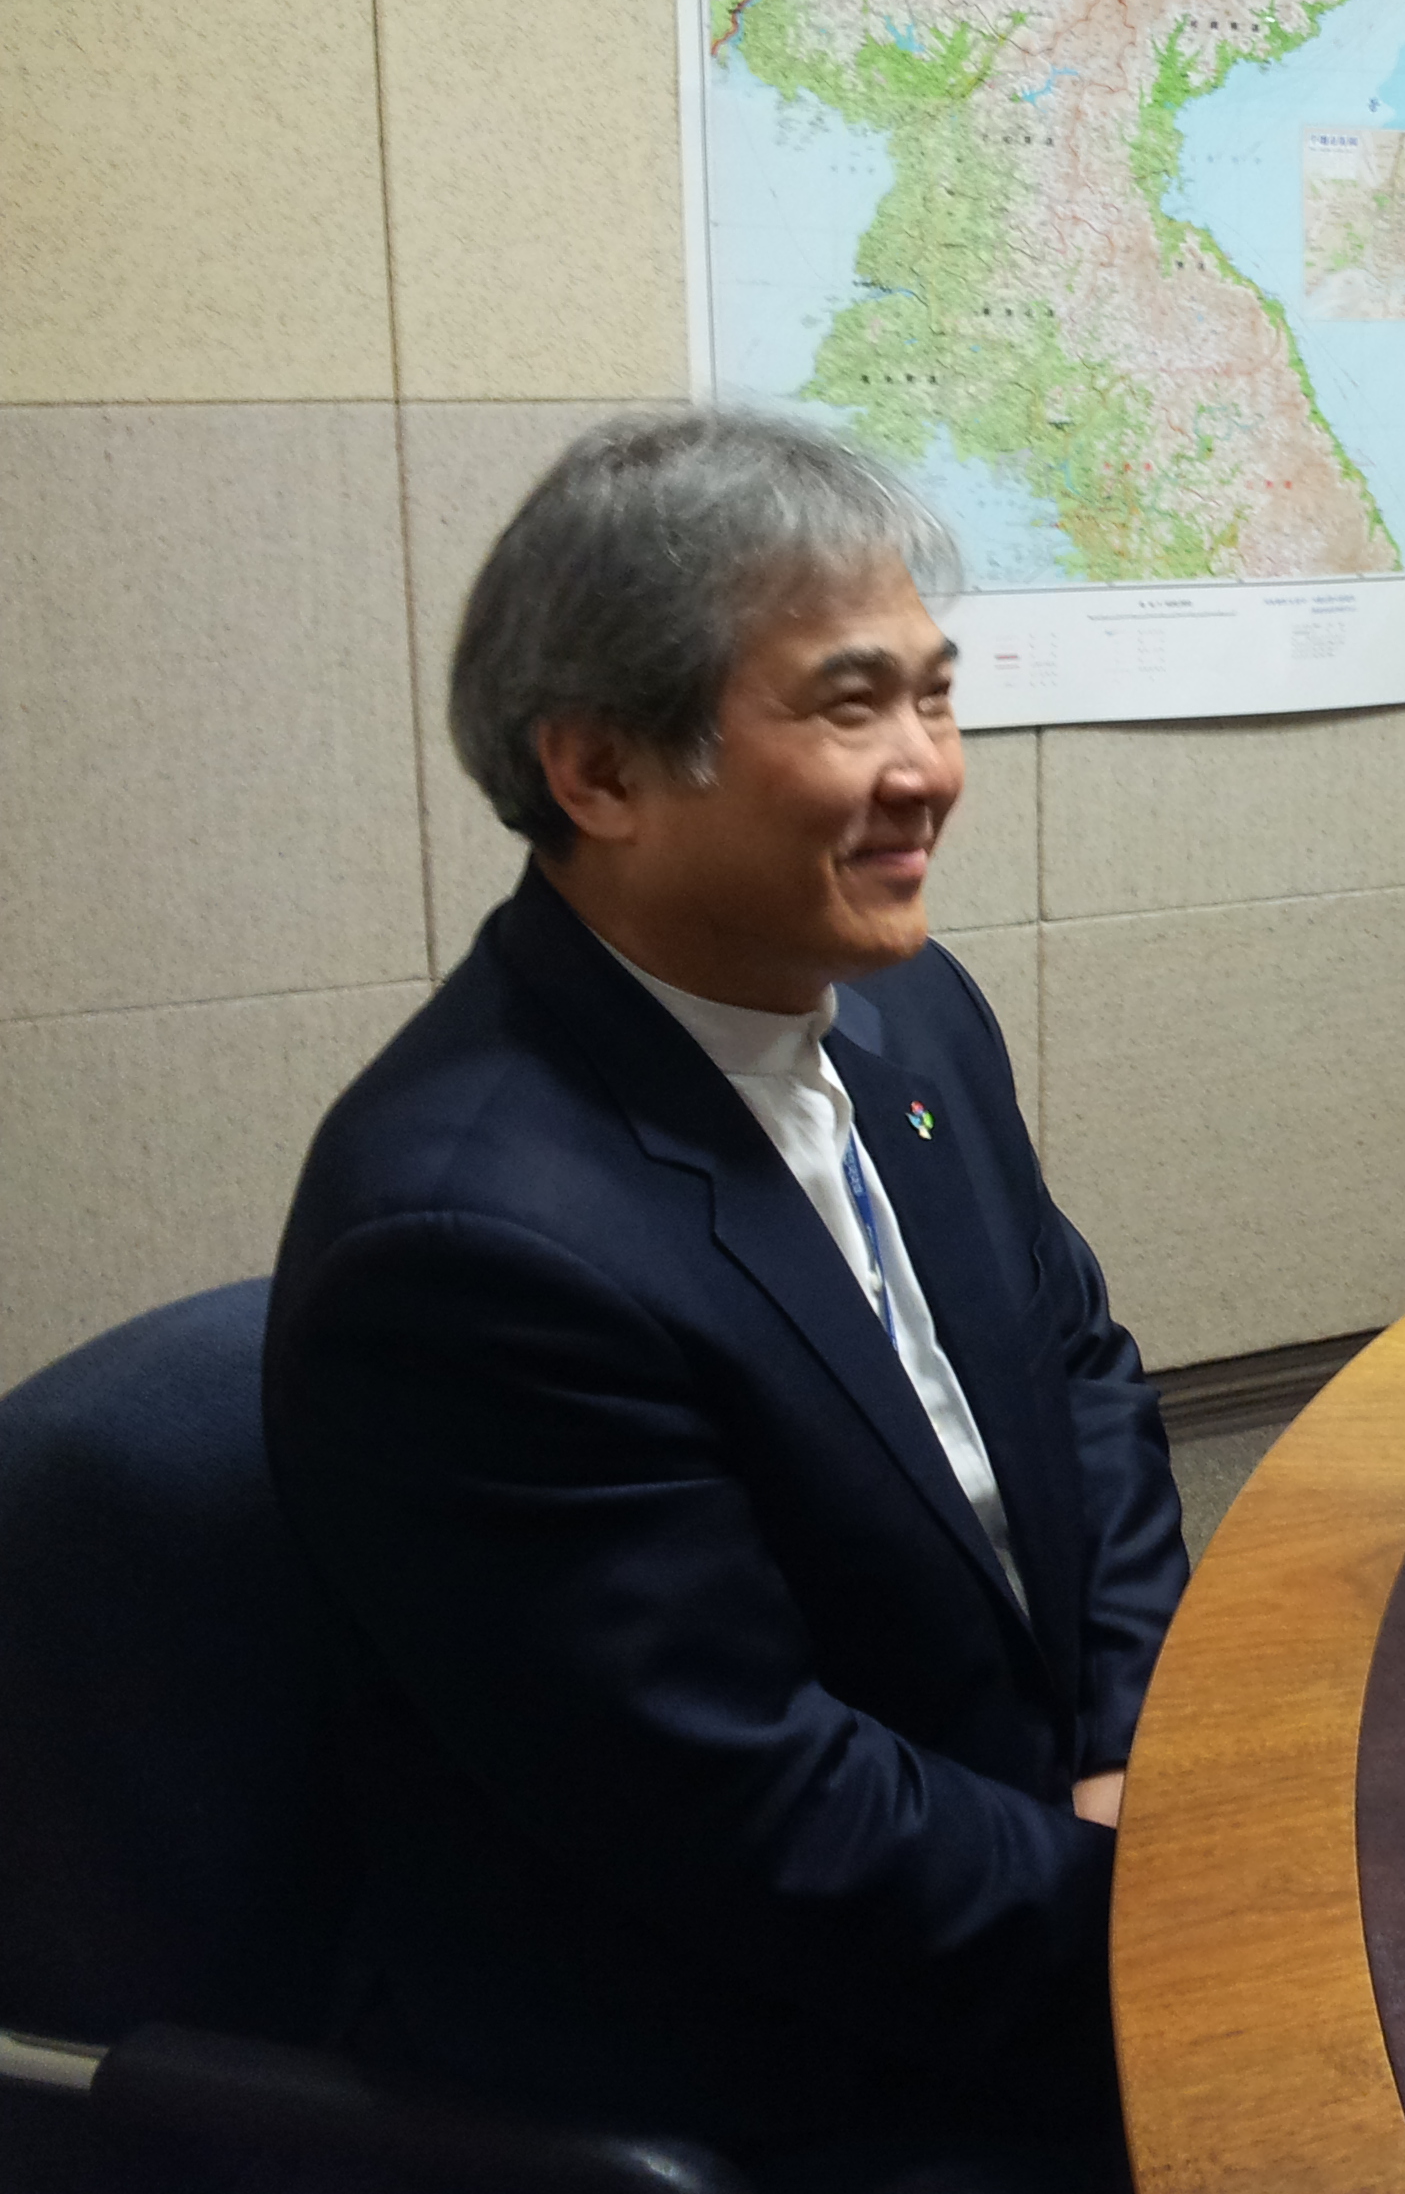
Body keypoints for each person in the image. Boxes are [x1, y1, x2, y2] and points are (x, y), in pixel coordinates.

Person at [263, 412, 1186, 2192]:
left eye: (937, 694)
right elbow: (752, 1814)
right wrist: (1152, 1912)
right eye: (852, 707)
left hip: (1025, 1870)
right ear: (601, 770)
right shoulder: (468, 1246)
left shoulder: (909, 1011)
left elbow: (1077, 1375)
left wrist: (1145, 1748)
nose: (928, 770)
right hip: (774, 2050)